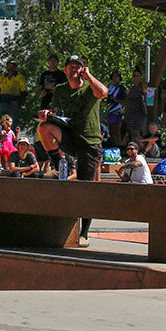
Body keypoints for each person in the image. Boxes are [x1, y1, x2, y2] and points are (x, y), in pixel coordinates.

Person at [37, 54, 107, 247]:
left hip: (89, 142)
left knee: (86, 188)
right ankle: (58, 163)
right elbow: (57, 112)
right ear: (65, 69)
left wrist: (89, 76)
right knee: (44, 128)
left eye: (78, 67)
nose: (73, 70)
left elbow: (103, 92)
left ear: (83, 69)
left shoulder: (89, 87)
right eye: (70, 67)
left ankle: (84, 233)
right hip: (70, 135)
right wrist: (46, 114)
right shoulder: (60, 89)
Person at [0, 60, 26, 125]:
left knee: (12, 121)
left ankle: (13, 134)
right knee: (2, 121)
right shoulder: (3, 77)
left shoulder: (19, 77)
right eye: (9, 66)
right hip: (3, 101)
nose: (10, 68)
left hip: (13, 101)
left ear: (15, 67)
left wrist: (19, 102)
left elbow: (24, 91)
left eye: (12, 66)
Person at [123, 68, 148, 143]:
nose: (136, 77)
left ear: (141, 76)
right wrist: (126, 114)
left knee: (137, 132)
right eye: (134, 76)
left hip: (139, 113)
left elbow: (146, 91)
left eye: (138, 76)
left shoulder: (142, 86)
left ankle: (142, 148)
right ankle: (134, 148)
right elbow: (128, 101)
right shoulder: (132, 88)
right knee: (131, 133)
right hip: (131, 113)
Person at [105, 71, 127, 149]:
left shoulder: (122, 88)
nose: (115, 78)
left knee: (117, 128)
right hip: (110, 110)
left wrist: (116, 100)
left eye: (117, 76)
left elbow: (125, 99)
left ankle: (119, 145)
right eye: (114, 76)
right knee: (111, 129)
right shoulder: (110, 88)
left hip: (117, 110)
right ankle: (113, 144)